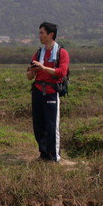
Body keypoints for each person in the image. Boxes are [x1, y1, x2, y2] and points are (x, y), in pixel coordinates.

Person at [26, 22, 70, 162]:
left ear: (50, 35)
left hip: (51, 92)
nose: (40, 36)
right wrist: (33, 70)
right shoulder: (38, 53)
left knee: (52, 125)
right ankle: (43, 154)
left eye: (42, 33)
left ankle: (54, 157)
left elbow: (61, 72)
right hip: (38, 90)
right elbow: (29, 77)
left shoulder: (61, 53)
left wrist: (43, 68)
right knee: (38, 125)